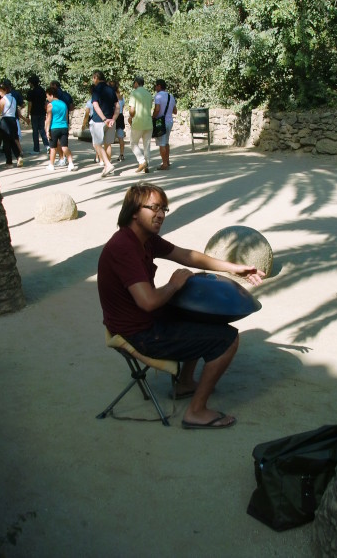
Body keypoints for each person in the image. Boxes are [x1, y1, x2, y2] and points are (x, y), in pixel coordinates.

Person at [97, 183, 265, 429]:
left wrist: (235, 268)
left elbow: (187, 256)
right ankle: (195, 412)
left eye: (164, 208)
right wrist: (174, 284)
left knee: (203, 315)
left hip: (146, 321)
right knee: (227, 339)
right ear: (134, 211)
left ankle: (185, 383)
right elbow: (148, 301)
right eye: (154, 208)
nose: (161, 214)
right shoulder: (124, 247)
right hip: (139, 333)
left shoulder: (146, 239)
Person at [82, 70, 119, 178]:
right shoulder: (111, 89)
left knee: (97, 144)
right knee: (108, 144)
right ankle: (107, 166)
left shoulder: (96, 89)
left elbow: (95, 105)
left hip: (99, 121)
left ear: (96, 78)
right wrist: (113, 119)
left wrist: (103, 119)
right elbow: (117, 106)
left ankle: (107, 164)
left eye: (93, 78)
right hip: (111, 120)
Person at [0, 83, 24, 168]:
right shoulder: (13, 99)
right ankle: (18, 156)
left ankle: (9, 162)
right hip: (13, 120)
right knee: (13, 140)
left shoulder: (3, 100)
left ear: (4, 90)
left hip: (5, 121)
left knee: (6, 142)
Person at [45, 86, 77, 173]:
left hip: (54, 127)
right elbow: (66, 117)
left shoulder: (50, 105)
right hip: (64, 127)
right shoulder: (64, 104)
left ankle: (51, 165)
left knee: (53, 147)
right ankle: (71, 163)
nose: (47, 98)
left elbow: (48, 118)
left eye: (47, 96)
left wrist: (47, 130)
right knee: (64, 146)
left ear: (51, 95)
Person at [128, 76, 153, 173]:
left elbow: (132, 110)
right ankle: (146, 165)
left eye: (134, 83)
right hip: (148, 122)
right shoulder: (148, 94)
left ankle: (142, 161)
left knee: (133, 143)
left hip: (138, 122)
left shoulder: (134, 93)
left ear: (137, 83)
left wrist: (131, 116)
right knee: (147, 144)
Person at [152, 79, 177, 170]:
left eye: (156, 86)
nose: (155, 88)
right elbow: (175, 111)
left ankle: (164, 164)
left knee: (161, 143)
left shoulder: (158, 96)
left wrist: (153, 117)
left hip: (160, 122)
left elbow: (157, 109)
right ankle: (167, 161)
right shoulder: (171, 96)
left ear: (159, 86)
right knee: (166, 142)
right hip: (170, 121)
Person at [26, 74, 49, 154]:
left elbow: (30, 104)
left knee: (35, 131)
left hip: (34, 113)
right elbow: (44, 102)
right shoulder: (42, 90)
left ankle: (36, 149)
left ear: (31, 83)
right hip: (42, 112)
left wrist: (27, 114)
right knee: (42, 129)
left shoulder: (31, 92)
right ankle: (47, 145)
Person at [109, 79, 125, 161]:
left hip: (113, 116)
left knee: (109, 137)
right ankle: (121, 154)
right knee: (120, 136)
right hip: (121, 116)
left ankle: (108, 156)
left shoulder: (110, 95)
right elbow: (123, 106)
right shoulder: (121, 96)